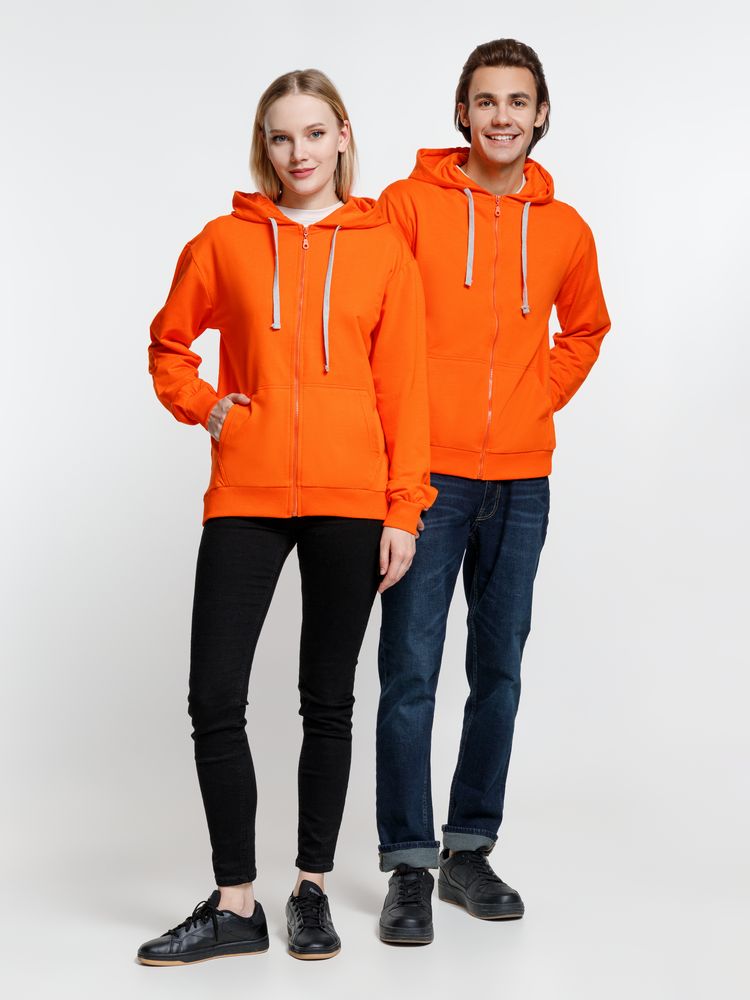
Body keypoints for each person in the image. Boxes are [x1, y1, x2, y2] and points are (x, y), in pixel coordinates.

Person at [137, 68, 435, 965]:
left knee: (328, 701)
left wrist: (404, 509)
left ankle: (311, 889)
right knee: (214, 697)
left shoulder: (384, 250)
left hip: (352, 500)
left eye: (313, 133)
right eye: (280, 136)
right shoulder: (224, 241)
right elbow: (168, 345)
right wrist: (207, 406)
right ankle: (236, 904)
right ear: (263, 147)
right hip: (247, 494)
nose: (298, 152)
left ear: (342, 135)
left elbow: (406, 392)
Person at [375, 38, 611, 943]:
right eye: (486, 101)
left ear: (540, 114)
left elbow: (584, 329)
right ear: (461, 113)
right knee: (410, 670)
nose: (502, 116)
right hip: (426, 476)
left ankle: (469, 849)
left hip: (521, 479)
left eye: (518, 101)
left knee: (499, 669)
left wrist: (531, 397)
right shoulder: (406, 207)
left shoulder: (566, 228)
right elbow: (372, 318)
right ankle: (408, 863)